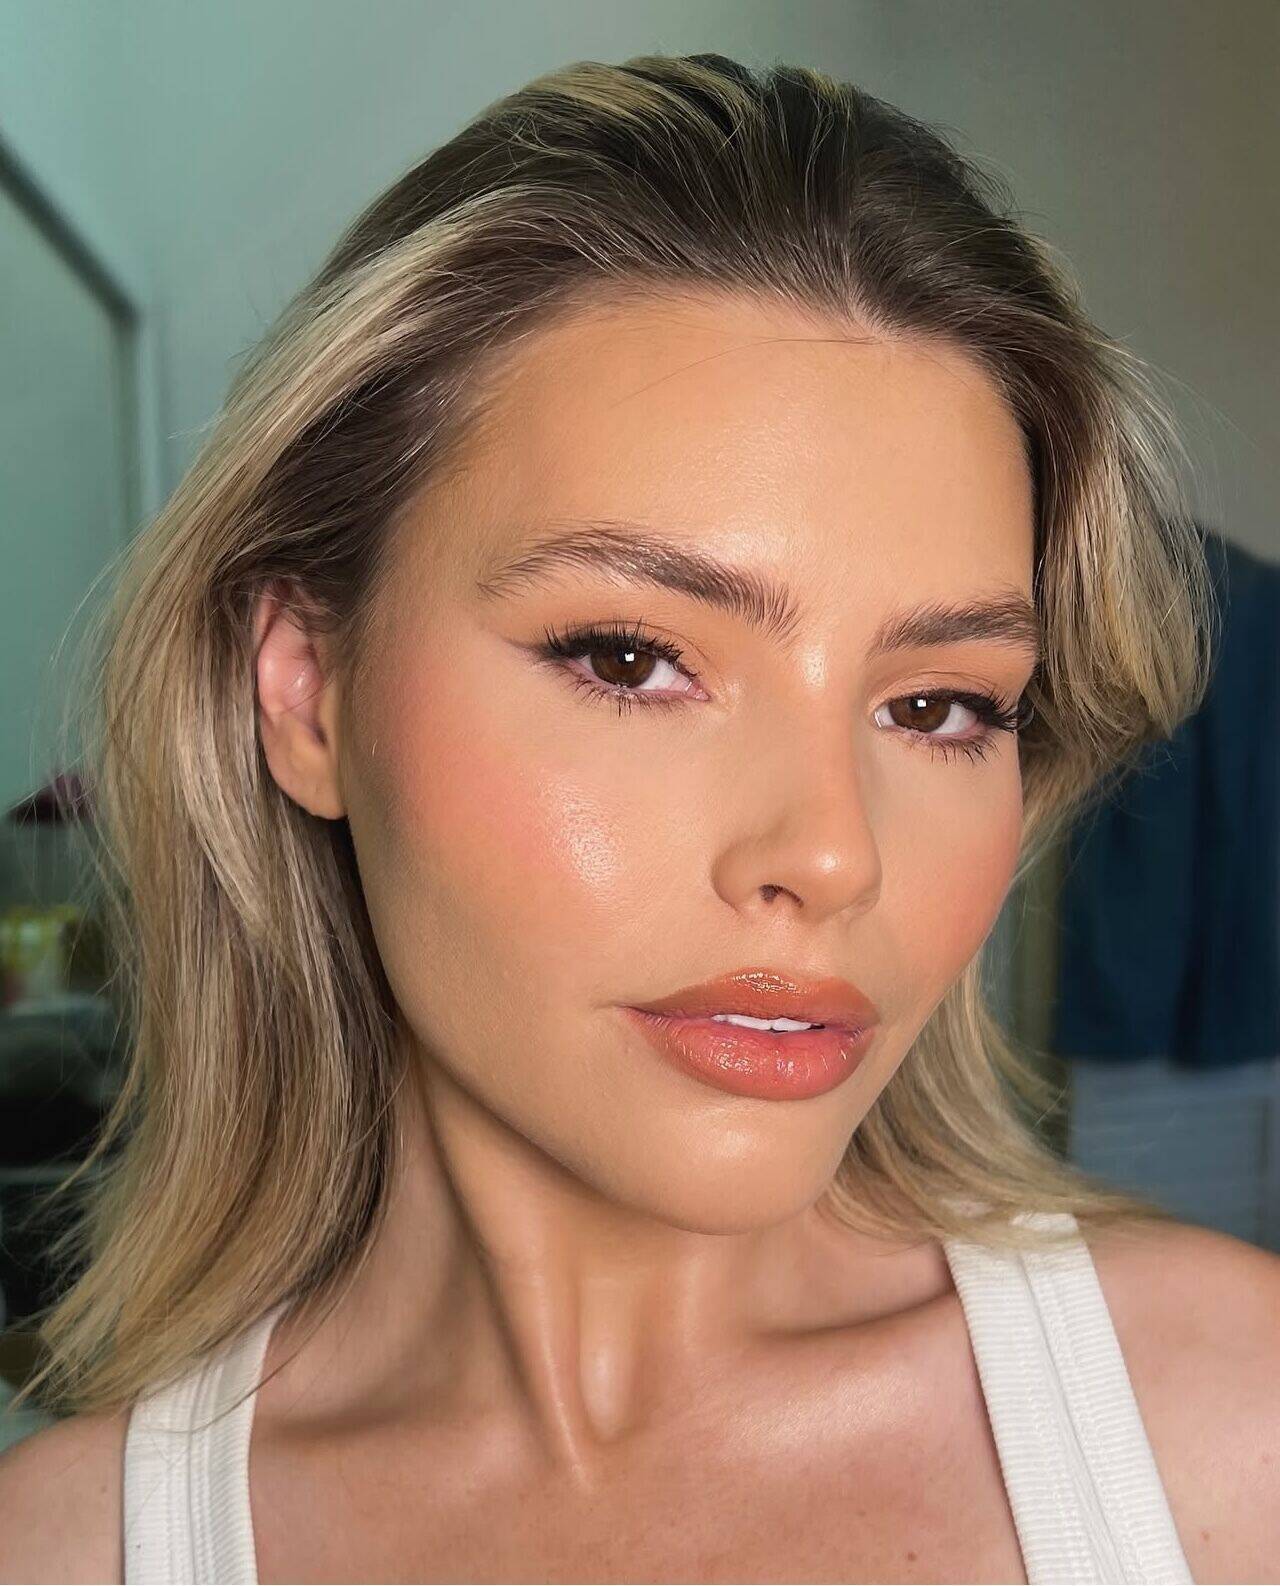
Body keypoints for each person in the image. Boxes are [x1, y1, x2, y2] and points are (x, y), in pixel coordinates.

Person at [1, 51, 1277, 1585]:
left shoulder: (1229, 1434)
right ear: (308, 692)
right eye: (630, 659)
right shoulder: (68, 1547)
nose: (833, 853)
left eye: (941, 705)